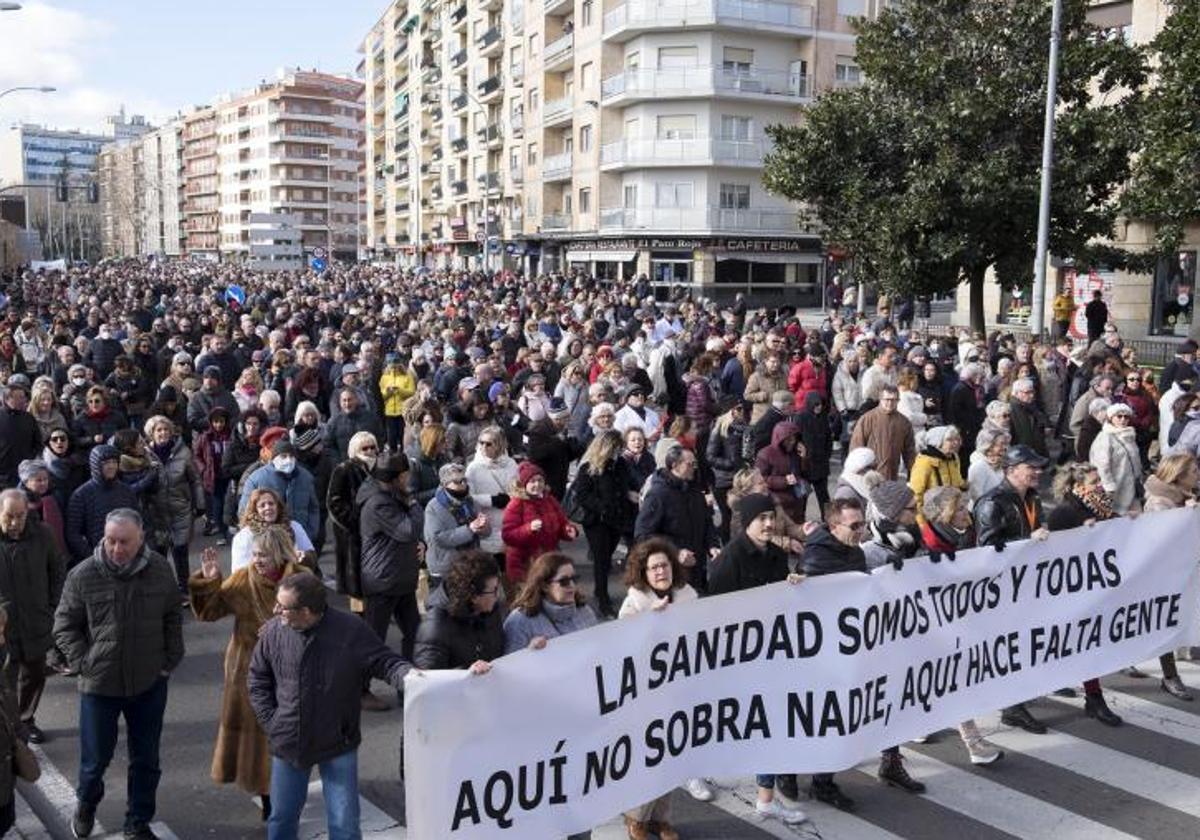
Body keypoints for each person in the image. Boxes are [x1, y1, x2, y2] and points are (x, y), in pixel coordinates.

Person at [248, 573, 412, 840]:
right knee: (282, 818)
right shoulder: (274, 632)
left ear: (307, 611)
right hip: (289, 740)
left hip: (338, 740)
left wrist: (414, 679)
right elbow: (257, 678)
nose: (276, 611)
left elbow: (386, 662)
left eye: (283, 607)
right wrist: (272, 723)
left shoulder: (349, 630)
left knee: (344, 823)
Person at [53, 508, 184, 840]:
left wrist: (170, 659)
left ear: (140, 539)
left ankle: (137, 822)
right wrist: (85, 662)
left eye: (124, 542)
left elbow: (172, 615)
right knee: (95, 760)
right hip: (100, 685)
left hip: (149, 681)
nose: (116, 549)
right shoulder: (82, 575)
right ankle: (86, 804)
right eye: (110, 540)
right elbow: (64, 626)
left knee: (147, 759)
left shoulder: (158, 570)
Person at [802, 498, 919, 809]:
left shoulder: (854, 551)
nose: (862, 531)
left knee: (886, 698)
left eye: (862, 524)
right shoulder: (817, 557)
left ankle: (891, 761)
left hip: (863, 645)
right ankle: (819, 780)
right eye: (854, 526)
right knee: (837, 715)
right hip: (831, 655)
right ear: (833, 526)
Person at [189, 530, 310, 821]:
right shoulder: (243, 579)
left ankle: (283, 793)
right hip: (250, 670)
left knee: (289, 735)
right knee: (261, 740)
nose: (257, 560)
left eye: (263, 555)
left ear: (280, 554)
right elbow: (209, 612)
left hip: (293, 668)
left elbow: (319, 618)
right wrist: (209, 581)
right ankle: (270, 799)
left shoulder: (302, 580)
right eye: (255, 554)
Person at [707, 494, 808, 821]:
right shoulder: (728, 560)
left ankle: (765, 797)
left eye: (771, 517)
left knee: (772, 725)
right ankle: (698, 768)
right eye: (761, 518)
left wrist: (793, 586)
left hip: (773, 656)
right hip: (740, 660)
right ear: (746, 521)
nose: (768, 524)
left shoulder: (777, 555)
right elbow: (715, 618)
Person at [975, 445, 1052, 734]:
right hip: (1004, 590)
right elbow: (986, 552)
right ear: (1011, 470)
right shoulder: (992, 502)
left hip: (1029, 585)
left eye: (1038, 467)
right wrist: (1026, 541)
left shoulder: (1032, 498)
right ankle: (1012, 708)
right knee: (1010, 649)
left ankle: (1016, 701)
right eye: (1031, 467)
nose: (1038, 472)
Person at [1043, 462, 1126, 725]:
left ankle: (1063, 681)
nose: (1099, 485)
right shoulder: (1063, 514)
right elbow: (1055, 555)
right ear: (1078, 487)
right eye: (1093, 482)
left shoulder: (1101, 507)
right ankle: (1094, 698)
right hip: (1072, 589)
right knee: (1084, 642)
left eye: (1099, 479)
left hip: (1096, 586)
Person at [0, 489, 64, 744]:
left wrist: (52, 605)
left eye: (20, 516)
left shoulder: (43, 535)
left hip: (37, 619)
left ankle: (26, 719)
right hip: (4, 628)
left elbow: (57, 569)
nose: (14, 523)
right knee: (6, 683)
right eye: (8, 517)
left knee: (35, 674)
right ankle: (11, 728)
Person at [1142, 452, 1199, 700]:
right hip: (1165, 575)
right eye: (1194, 471)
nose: (1198, 474)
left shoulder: (1185, 497)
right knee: (1166, 623)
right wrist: (1186, 517)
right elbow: (1162, 540)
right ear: (1179, 476)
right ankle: (1170, 675)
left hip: (1187, 568)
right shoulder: (1159, 502)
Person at [357, 452, 424, 662]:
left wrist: (422, 544)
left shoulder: (392, 495)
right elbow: (407, 530)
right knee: (373, 640)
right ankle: (361, 687)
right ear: (395, 478)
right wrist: (413, 504)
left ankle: (410, 683)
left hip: (400, 578)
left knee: (415, 634)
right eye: (405, 476)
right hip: (383, 582)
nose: (408, 480)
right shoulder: (379, 502)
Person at [634, 446, 720, 592]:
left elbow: (706, 521)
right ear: (675, 465)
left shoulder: (695, 489)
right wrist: (676, 552)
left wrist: (712, 545)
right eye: (689, 464)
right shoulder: (658, 495)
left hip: (697, 567)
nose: (694, 468)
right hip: (672, 570)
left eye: (695, 464)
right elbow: (643, 534)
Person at [413, 549, 505, 670]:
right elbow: (428, 681)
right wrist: (466, 673)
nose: (497, 595)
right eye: (493, 590)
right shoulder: (435, 627)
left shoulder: (490, 610)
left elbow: (501, 652)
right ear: (473, 596)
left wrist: (529, 649)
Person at [145, 415, 204, 597]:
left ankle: (184, 590)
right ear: (152, 434)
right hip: (157, 513)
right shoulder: (145, 456)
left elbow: (195, 480)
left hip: (180, 510)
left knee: (180, 552)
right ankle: (163, 592)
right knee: (159, 555)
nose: (163, 433)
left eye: (166, 430)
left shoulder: (183, 453)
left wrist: (200, 504)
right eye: (158, 430)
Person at [503, 552, 597, 653]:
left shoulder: (585, 611)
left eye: (574, 579)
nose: (572, 585)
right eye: (564, 581)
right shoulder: (520, 621)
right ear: (545, 586)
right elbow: (511, 661)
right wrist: (529, 652)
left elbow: (598, 647)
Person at [502, 461, 578, 585]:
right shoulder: (516, 503)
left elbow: (562, 523)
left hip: (548, 561)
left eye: (540, 480)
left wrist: (568, 530)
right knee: (530, 600)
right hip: (525, 564)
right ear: (524, 484)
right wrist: (528, 529)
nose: (537, 484)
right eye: (532, 481)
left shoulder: (550, 500)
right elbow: (508, 535)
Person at [65, 445, 140, 567]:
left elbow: (138, 522)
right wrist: (93, 557)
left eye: (114, 462)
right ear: (96, 465)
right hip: (96, 561)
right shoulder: (81, 495)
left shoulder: (126, 491)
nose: (111, 466)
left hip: (128, 557)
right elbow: (73, 534)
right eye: (106, 463)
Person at [326, 431, 379, 604]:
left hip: (377, 532)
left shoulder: (381, 468)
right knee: (355, 582)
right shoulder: (344, 470)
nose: (370, 451)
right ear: (355, 449)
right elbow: (334, 502)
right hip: (352, 535)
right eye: (365, 448)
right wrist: (354, 521)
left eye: (373, 447)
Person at [238, 438, 322, 545]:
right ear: (274, 458)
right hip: (267, 542)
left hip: (300, 539)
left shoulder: (306, 477)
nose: (288, 460)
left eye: (291, 456)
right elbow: (245, 511)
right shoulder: (256, 478)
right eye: (283, 456)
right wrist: (258, 536)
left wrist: (310, 532)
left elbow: (313, 507)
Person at [423, 463, 490, 593]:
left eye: (464, 480)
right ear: (445, 484)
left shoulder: (471, 502)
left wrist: (484, 527)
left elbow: (485, 533)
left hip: (470, 565)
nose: (462, 485)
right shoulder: (433, 507)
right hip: (445, 568)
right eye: (457, 481)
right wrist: (469, 530)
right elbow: (438, 538)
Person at [465, 426, 520, 570]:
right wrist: (491, 499)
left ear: (499, 445)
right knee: (487, 573)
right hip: (486, 525)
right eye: (481, 442)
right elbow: (468, 498)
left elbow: (518, 490)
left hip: (508, 523)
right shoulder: (473, 468)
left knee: (509, 573)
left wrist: (510, 497)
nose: (484, 447)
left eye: (489, 444)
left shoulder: (511, 464)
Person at [231, 489, 315, 573]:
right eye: (262, 505)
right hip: (259, 582)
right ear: (255, 510)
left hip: (292, 578)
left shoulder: (294, 526)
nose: (268, 508)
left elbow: (311, 554)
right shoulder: (245, 535)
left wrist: (303, 557)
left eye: (271, 503)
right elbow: (239, 570)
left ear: (278, 506)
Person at [849, 385, 916, 480]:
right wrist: (859, 472)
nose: (890, 403)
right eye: (887, 399)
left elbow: (909, 451)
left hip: (892, 476)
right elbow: (856, 448)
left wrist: (913, 472)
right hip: (870, 477)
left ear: (898, 400)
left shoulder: (904, 422)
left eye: (894, 400)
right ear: (880, 399)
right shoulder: (867, 419)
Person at [1089, 402, 1142, 514]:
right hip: (1115, 489)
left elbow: (1135, 460)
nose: (1123, 419)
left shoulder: (1129, 435)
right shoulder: (1105, 437)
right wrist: (1108, 486)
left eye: (1126, 416)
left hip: (1132, 486)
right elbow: (1102, 465)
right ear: (1111, 418)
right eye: (1119, 416)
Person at [908, 425, 966, 525]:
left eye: (956, 439)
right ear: (938, 443)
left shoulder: (953, 458)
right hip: (934, 516)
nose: (955, 443)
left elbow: (957, 482)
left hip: (952, 512)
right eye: (950, 440)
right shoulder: (924, 463)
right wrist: (922, 523)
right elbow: (916, 495)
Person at [0, 379, 41, 489]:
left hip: (24, 473)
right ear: (7, 399)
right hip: (3, 474)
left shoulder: (28, 418)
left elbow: (37, 442)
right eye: (19, 397)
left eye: (23, 397)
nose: (23, 400)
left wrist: (29, 458)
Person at [967, 429, 1010, 505]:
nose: (1005, 447)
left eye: (1006, 444)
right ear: (989, 446)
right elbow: (976, 496)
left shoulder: (1003, 463)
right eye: (1001, 444)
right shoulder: (978, 466)